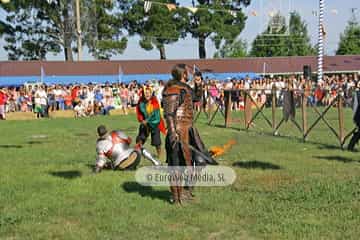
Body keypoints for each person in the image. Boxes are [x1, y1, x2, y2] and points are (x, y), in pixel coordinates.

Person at [162, 64, 217, 205]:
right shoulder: (173, 89)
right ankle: (177, 197)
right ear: (183, 74)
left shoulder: (184, 88)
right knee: (176, 165)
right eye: (187, 72)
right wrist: (173, 132)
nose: (189, 74)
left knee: (200, 160)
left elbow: (196, 98)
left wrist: (199, 85)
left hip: (189, 130)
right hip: (178, 131)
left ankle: (187, 189)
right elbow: (169, 114)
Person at [94, 125, 161, 173]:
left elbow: (101, 159)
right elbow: (129, 141)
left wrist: (98, 168)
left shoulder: (99, 144)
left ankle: (125, 167)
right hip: (133, 155)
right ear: (107, 130)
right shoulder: (116, 133)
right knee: (139, 147)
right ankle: (156, 162)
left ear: (99, 134)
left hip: (118, 165)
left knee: (110, 164)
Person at [135, 86, 166, 158]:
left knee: (156, 141)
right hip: (145, 123)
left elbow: (156, 115)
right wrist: (142, 121)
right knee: (140, 138)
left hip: (155, 122)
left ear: (151, 94)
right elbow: (139, 113)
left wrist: (147, 121)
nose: (147, 95)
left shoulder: (154, 102)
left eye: (148, 93)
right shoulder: (141, 102)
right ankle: (137, 153)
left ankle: (160, 155)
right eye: (145, 93)